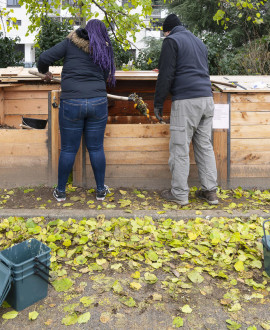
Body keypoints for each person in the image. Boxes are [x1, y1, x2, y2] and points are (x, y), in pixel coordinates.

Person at [37, 19, 115, 202]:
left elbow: (44, 58)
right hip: (97, 102)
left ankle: (61, 191)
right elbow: (106, 75)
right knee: (96, 148)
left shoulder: (70, 43)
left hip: (72, 102)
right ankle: (101, 190)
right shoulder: (104, 48)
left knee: (68, 149)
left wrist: (45, 72)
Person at [154, 13, 218, 206]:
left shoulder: (171, 40)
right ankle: (210, 192)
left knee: (180, 148)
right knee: (204, 146)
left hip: (186, 101)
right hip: (206, 99)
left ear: (167, 30)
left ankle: (180, 194)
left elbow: (166, 75)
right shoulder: (199, 42)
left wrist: (158, 103)